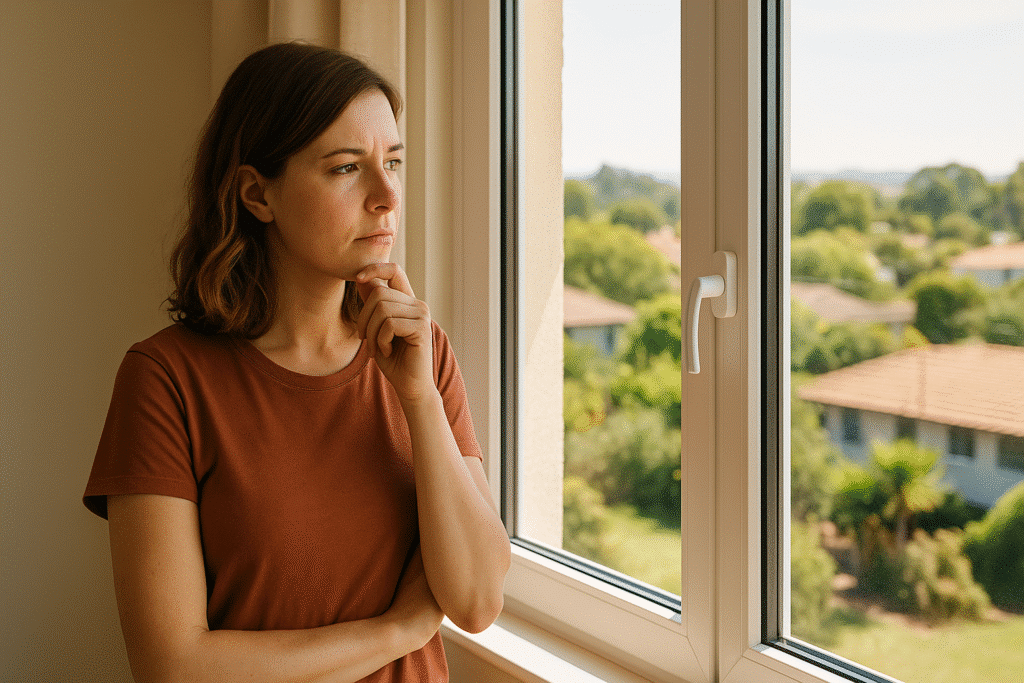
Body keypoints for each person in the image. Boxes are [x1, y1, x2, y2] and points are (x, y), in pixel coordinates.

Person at [83, 42, 511, 683]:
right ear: (258, 194)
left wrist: (418, 398)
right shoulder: (166, 380)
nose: (387, 195)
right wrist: (400, 628)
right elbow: (173, 669)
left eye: (393, 161)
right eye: (346, 168)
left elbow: (476, 602)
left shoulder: (420, 354)